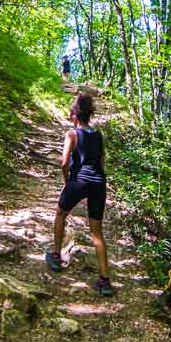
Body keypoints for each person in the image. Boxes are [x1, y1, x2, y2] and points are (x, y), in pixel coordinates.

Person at [45, 92, 114, 296]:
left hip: (79, 181)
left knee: (60, 214)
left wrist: (68, 182)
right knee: (97, 233)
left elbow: (64, 162)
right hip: (98, 183)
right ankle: (105, 280)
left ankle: (56, 256)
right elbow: (101, 161)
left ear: (75, 116)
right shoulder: (99, 134)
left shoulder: (72, 134)